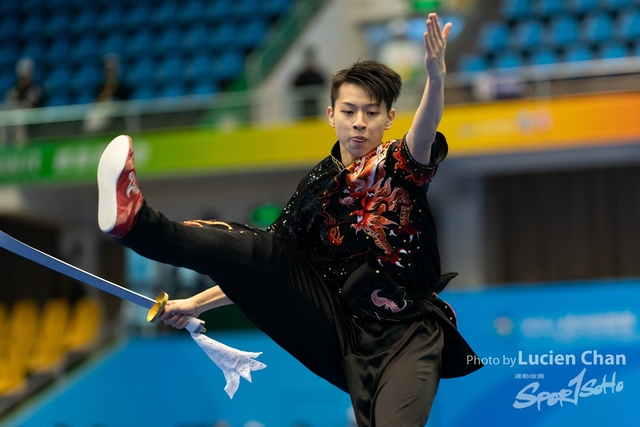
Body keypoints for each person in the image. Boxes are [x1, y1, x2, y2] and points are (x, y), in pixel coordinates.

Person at [96, 13, 481, 427]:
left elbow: (423, 134)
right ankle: (138, 224)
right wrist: (194, 302)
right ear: (331, 114)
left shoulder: (396, 164)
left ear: (388, 118)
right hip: (341, 330)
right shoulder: (316, 187)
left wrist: (435, 81)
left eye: (371, 113)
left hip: (409, 334)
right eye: (349, 111)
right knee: (265, 248)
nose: (359, 122)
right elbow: (261, 266)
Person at [1, 57, 43, 146]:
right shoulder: (15, 90)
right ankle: (3, 145)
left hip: (32, 119)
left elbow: (29, 105)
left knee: (19, 116)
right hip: (15, 115)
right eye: (22, 77)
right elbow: (9, 101)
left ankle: (21, 147)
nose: (23, 79)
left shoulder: (35, 89)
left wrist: (16, 106)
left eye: (25, 76)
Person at [291, 47, 325, 118]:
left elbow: (324, 84)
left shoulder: (317, 75)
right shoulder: (301, 76)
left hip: (314, 103)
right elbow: (294, 86)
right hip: (304, 104)